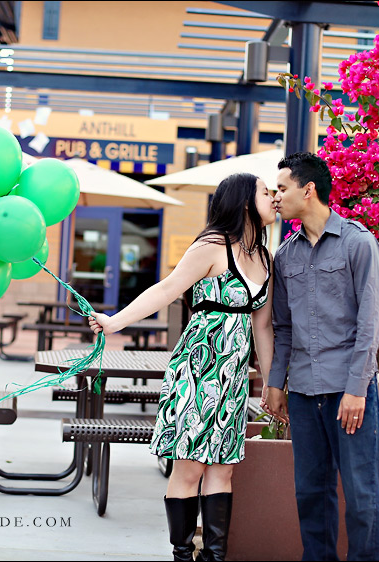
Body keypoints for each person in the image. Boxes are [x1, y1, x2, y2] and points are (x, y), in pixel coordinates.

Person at [89, 173, 276, 562]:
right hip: (197, 371)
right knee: (189, 469)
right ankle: (181, 555)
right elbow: (166, 289)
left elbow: (262, 326)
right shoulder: (211, 246)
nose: (274, 198)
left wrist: (271, 386)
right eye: (265, 191)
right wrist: (114, 321)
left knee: (223, 470)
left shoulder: (264, 257)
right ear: (244, 201)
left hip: (232, 380)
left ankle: (213, 557)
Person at [263, 152, 379, 561]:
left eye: (282, 188)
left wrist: (356, 390)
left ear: (308, 189)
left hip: (348, 393)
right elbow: (282, 327)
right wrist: (275, 383)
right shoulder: (285, 255)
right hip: (301, 392)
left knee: (361, 494)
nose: (276, 197)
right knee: (311, 493)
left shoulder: (358, 243)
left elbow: (369, 326)